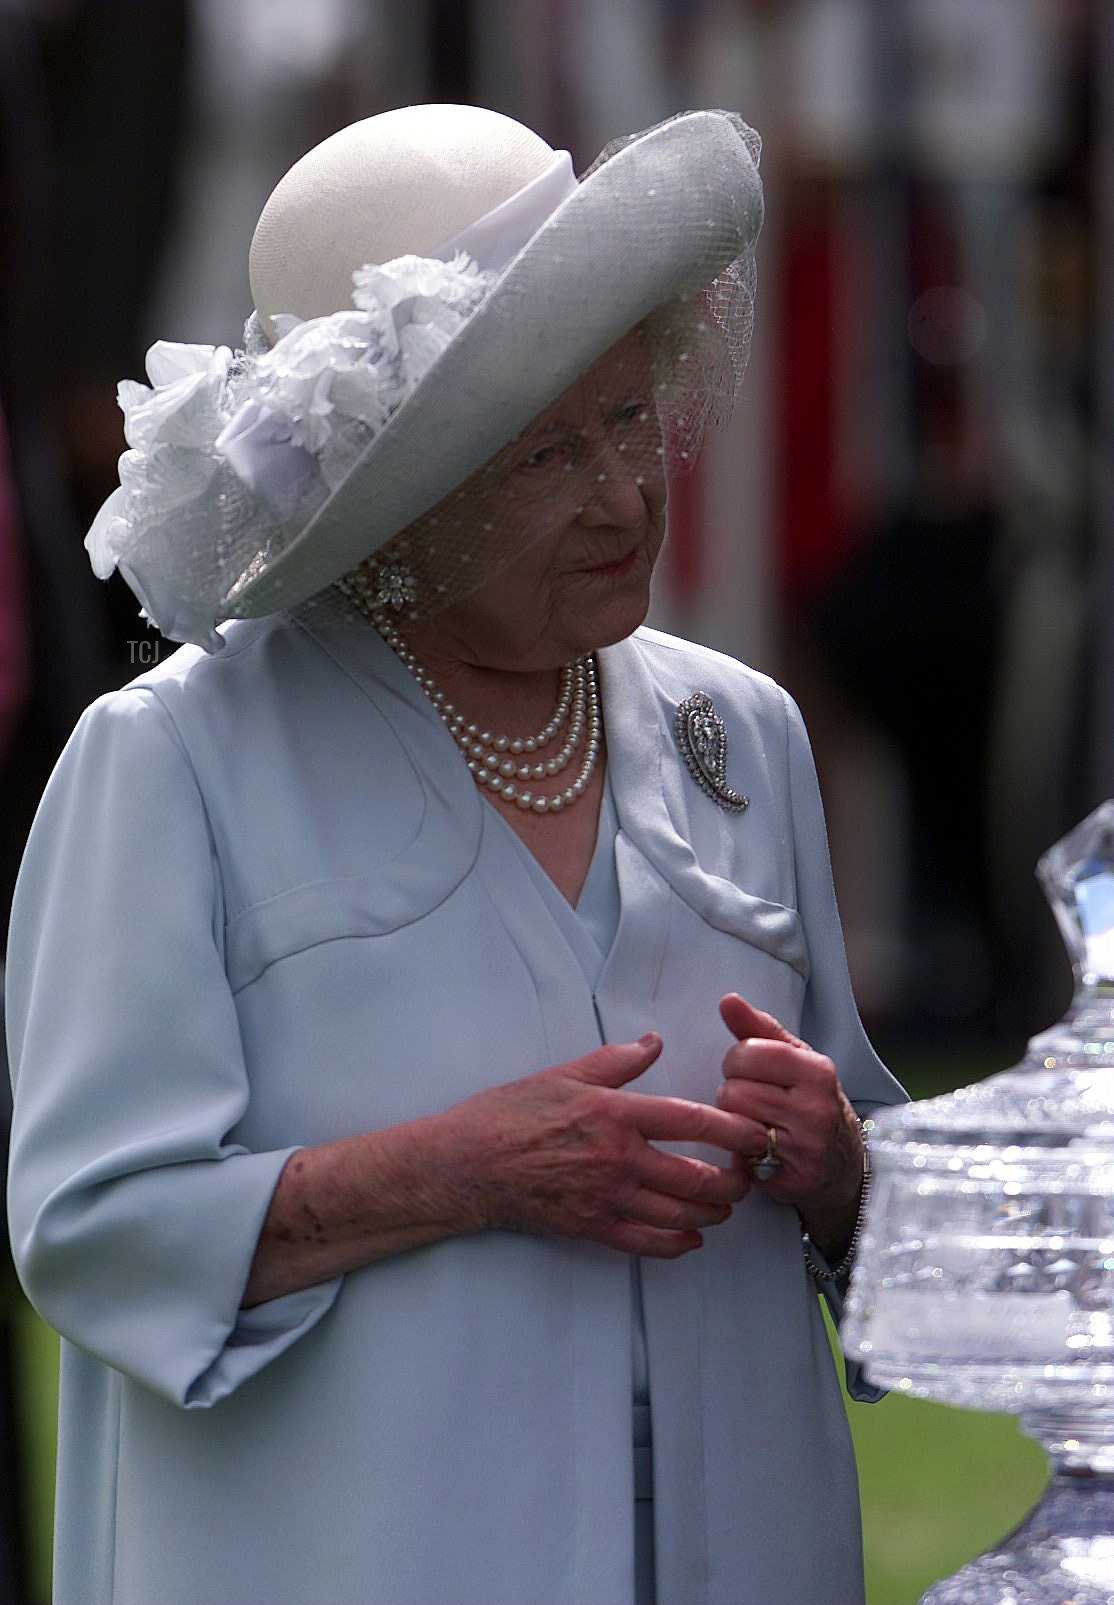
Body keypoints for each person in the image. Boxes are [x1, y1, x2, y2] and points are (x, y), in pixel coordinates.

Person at [4, 104, 907, 1605]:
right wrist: (449, 1172)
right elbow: (95, 1230)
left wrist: (838, 1168)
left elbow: (897, 1246)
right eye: (548, 453)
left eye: (629, 417)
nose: (624, 494)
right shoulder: (172, 760)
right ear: (395, 503)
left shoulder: (738, 733)